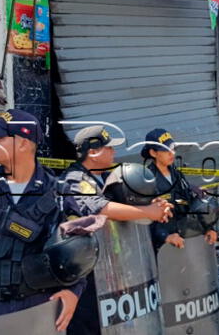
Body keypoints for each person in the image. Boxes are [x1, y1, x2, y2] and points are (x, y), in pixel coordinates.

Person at [0, 109, 85, 334]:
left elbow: (81, 250)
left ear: (23, 143)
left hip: (37, 310)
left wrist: (74, 291)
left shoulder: (58, 193)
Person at [61, 125, 173, 335]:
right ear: (92, 152)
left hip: (107, 267)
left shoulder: (103, 176)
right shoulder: (76, 180)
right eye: (109, 148)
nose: (114, 152)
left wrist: (153, 204)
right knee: (89, 325)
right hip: (84, 273)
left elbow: (126, 204)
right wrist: (148, 211)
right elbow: (102, 208)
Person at [140, 128, 217, 250]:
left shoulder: (176, 173)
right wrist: (165, 236)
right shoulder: (147, 179)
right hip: (162, 246)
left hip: (184, 238)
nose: (172, 153)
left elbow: (186, 202)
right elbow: (144, 218)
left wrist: (207, 227)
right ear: (153, 153)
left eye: (172, 149)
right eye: (166, 150)